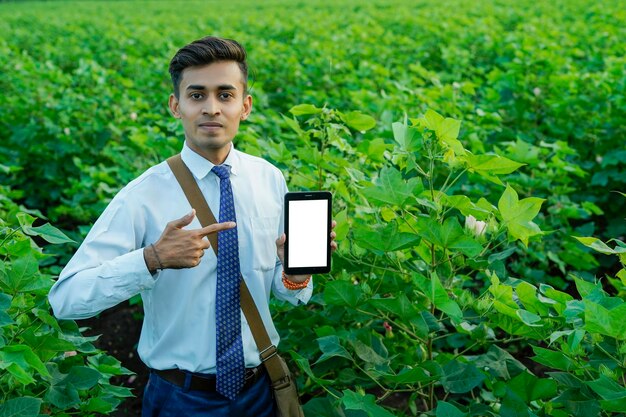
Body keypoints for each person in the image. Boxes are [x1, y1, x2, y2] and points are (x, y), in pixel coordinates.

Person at [48, 36, 337, 417]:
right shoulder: (143, 195)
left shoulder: (268, 179)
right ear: (176, 106)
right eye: (197, 95)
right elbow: (66, 298)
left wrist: (296, 272)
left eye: (225, 95)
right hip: (181, 398)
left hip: (260, 390)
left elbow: (286, 293)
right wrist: (151, 259)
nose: (211, 108)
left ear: (245, 106)